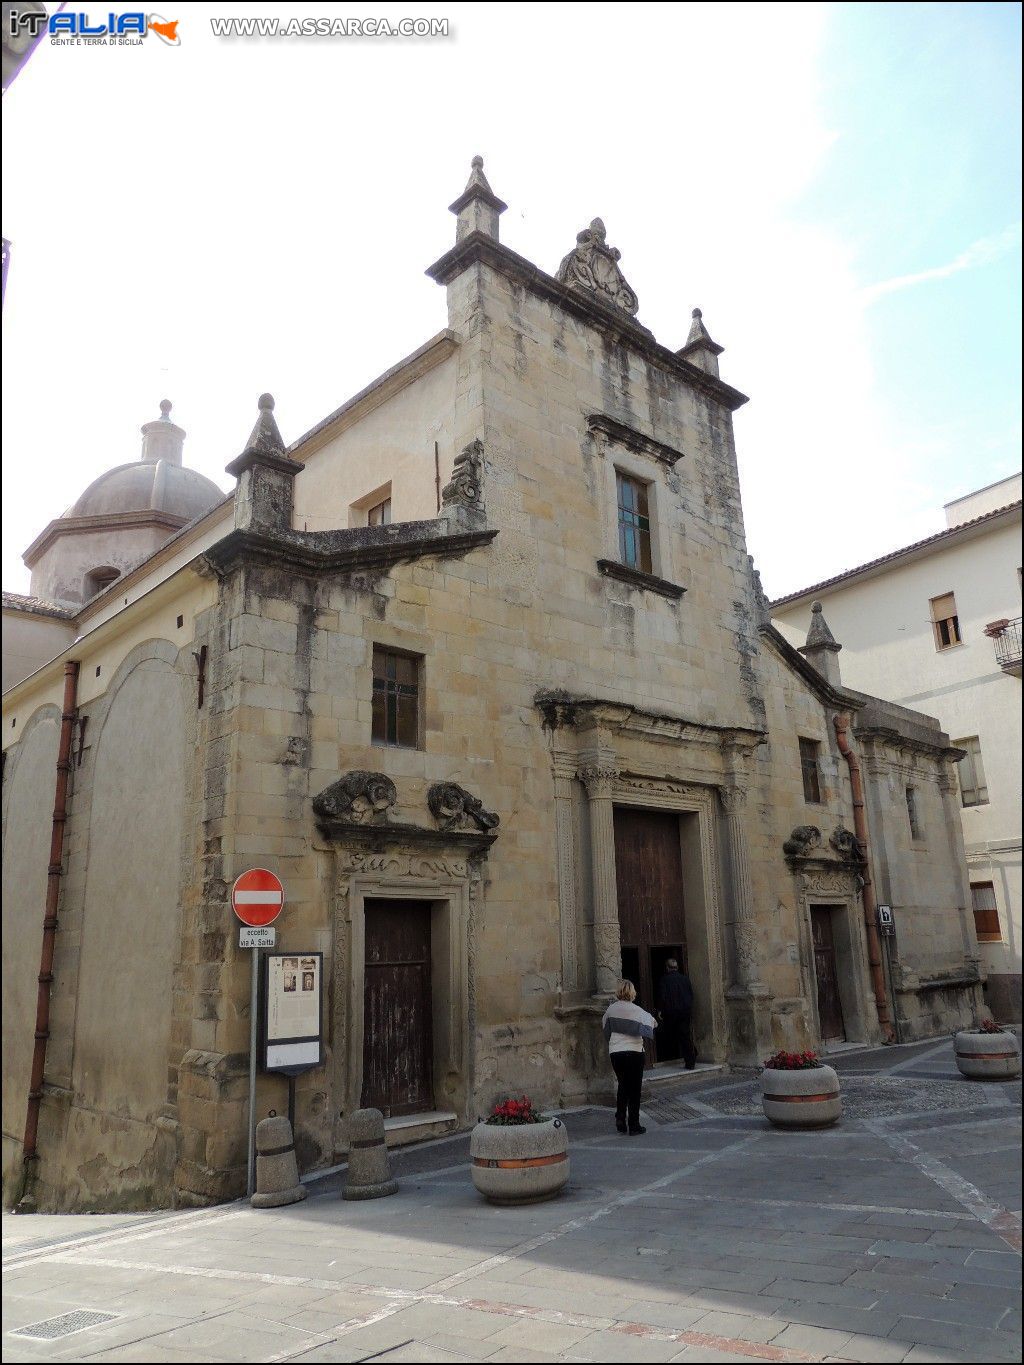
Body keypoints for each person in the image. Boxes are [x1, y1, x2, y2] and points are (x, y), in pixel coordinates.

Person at [601, 979, 657, 1135]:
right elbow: (652, 1024)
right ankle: (634, 1124)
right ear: (632, 992)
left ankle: (620, 1118)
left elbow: (605, 1030)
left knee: (623, 1085)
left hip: (616, 1052)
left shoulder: (610, 1011)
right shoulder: (637, 1010)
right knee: (634, 1089)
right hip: (634, 1051)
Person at [656, 958, 696, 1069]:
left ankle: (669, 1057)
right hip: (684, 1012)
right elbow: (691, 995)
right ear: (677, 968)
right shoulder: (685, 979)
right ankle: (690, 1061)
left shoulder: (664, 980)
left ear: (667, 968)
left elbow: (662, 997)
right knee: (685, 1036)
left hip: (671, 1013)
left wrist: (660, 1010)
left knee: (670, 1035)